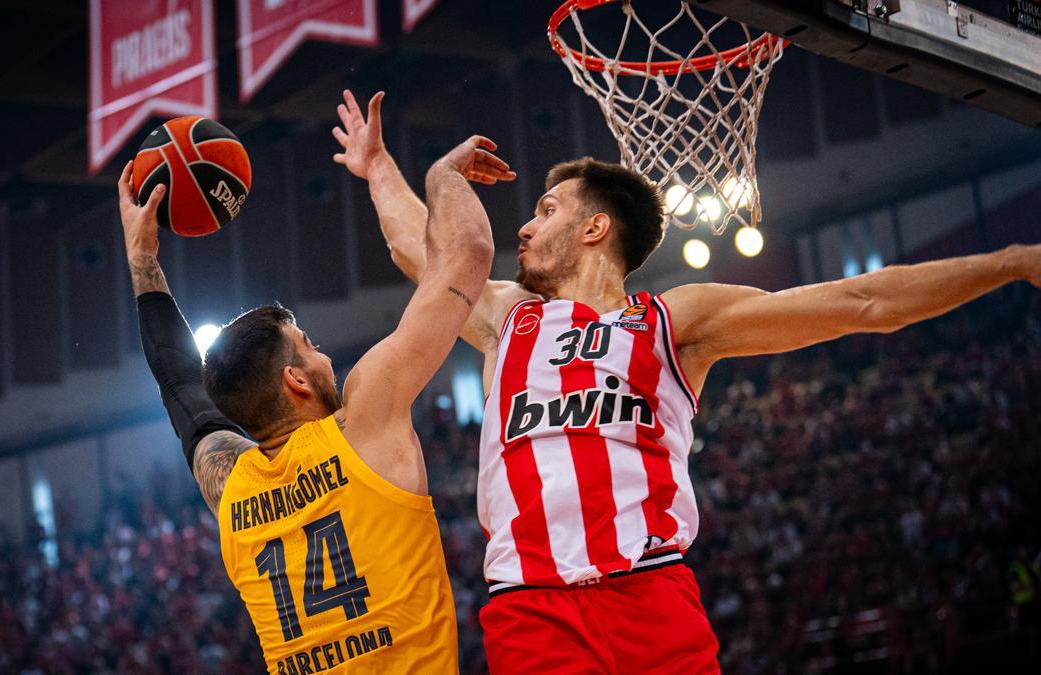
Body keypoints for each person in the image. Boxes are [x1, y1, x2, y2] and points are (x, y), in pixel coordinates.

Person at [331, 89, 1041, 673]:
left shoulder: (677, 319)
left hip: (651, 594)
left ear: (594, 228)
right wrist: (378, 166)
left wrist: (1008, 261)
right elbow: (414, 244)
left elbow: (864, 303)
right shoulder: (504, 315)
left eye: (545, 210)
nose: (523, 227)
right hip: (532, 605)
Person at [116, 130, 500, 673]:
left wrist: (140, 257)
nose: (324, 359)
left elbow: (180, 387)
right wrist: (442, 176)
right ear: (296, 381)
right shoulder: (364, 424)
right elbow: (470, 253)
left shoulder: (230, 486)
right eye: (312, 348)